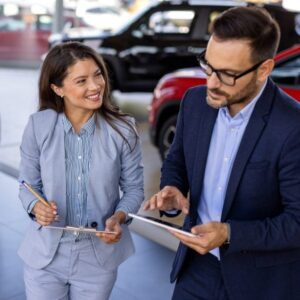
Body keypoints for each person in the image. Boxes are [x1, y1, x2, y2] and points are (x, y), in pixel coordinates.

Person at [144, 6, 300, 300]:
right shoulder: (193, 102)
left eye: (227, 74)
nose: (211, 83)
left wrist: (229, 233)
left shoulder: (292, 127)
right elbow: (177, 159)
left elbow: (297, 222)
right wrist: (172, 188)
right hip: (195, 271)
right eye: (209, 65)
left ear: (264, 69)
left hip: (260, 284)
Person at [18, 41, 144, 300]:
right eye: (82, 80)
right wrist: (35, 206)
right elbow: (27, 185)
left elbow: (134, 189)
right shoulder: (38, 126)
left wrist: (118, 217)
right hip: (45, 256)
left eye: (98, 75)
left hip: (98, 260)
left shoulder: (124, 130)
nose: (96, 86)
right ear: (58, 88)